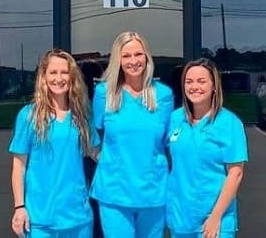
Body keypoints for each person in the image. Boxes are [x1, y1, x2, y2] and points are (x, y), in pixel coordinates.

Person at [90, 31, 174, 238]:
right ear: (117, 60)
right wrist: (101, 157)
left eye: (138, 54)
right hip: (114, 192)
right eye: (126, 56)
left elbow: (169, 142)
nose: (133, 61)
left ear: (147, 57)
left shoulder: (163, 95)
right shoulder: (104, 93)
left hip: (153, 192)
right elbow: (93, 134)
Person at [9, 49, 98, 238]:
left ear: (72, 77)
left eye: (65, 72)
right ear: (44, 76)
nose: (59, 78)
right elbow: (19, 166)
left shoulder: (83, 115)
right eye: (53, 72)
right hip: (40, 220)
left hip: (78, 218)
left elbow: (96, 153)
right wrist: (19, 207)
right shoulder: (29, 116)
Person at [166, 58, 248, 238]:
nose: (195, 86)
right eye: (189, 82)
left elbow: (236, 173)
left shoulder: (229, 123)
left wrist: (215, 216)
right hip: (181, 218)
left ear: (214, 86)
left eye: (202, 81)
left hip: (215, 221)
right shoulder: (175, 119)